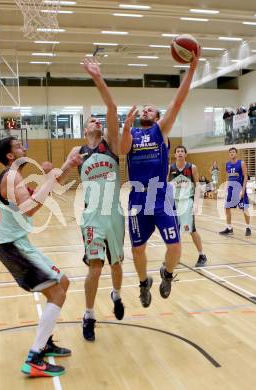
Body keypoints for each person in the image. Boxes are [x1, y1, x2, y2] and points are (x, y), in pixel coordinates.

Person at [0, 136, 82, 377]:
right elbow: (30, 207)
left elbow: (45, 194)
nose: (25, 148)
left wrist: (65, 166)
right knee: (57, 292)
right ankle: (34, 357)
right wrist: (51, 176)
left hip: (19, 243)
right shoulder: (11, 177)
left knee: (62, 283)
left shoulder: (15, 177)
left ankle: (46, 344)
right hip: (13, 247)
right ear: (11, 156)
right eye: (19, 146)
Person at [120, 51, 200, 307]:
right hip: (137, 196)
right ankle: (144, 284)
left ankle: (166, 273)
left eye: (151, 109)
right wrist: (124, 127)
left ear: (157, 117)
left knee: (175, 246)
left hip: (160, 195)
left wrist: (192, 68)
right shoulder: (132, 132)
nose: (146, 109)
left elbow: (178, 101)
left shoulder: (160, 130)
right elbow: (122, 150)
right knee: (137, 249)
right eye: (144, 108)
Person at [70, 58, 125, 342]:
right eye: (92, 120)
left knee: (116, 266)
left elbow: (112, 108)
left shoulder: (111, 145)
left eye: (98, 120)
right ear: (85, 130)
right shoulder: (77, 152)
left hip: (114, 213)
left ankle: (116, 294)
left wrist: (97, 77)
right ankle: (89, 315)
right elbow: (61, 173)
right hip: (92, 215)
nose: (97, 121)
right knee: (95, 265)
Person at [169, 146, 207, 267]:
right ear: (174, 155)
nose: (180, 153)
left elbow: (198, 186)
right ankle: (175, 256)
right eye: (178, 151)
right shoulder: (170, 168)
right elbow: (165, 186)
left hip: (187, 202)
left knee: (192, 230)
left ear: (185, 154)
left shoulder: (192, 167)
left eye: (182, 151)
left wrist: (196, 203)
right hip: (174, 202)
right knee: (175, 231)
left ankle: (202, 255)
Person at [219, 147, 251, 236]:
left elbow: (245, 176)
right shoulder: (227, 164)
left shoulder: (241, 163)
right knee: (227, 208)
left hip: (240, 189)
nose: (232, 153)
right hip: (231, 190)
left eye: (233, 152)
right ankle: (229, 228)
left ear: (236, 153)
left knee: (244, 209)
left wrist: (243, 190)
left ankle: (248, 227)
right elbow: (228, 177)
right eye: (230, 152)